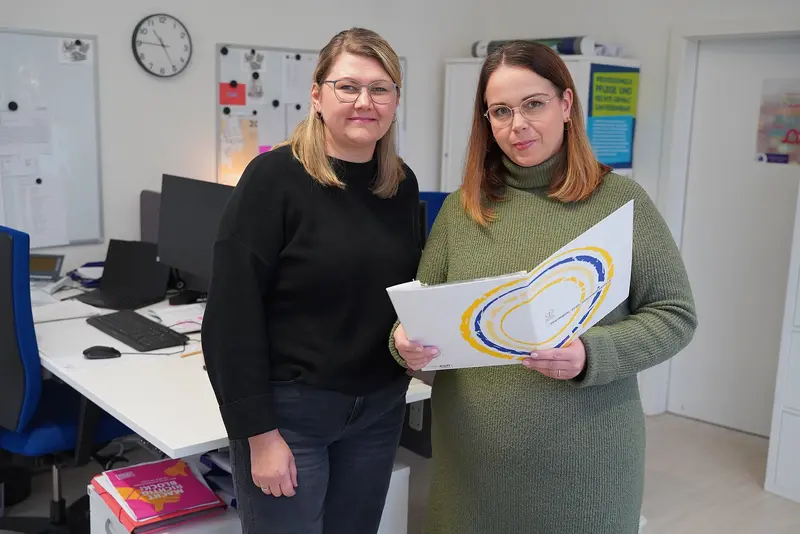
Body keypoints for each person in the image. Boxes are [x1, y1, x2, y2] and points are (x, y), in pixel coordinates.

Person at [391, 41, 698, 534]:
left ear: (566, 104)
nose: (518, 125)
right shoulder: (462, 209)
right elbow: (419, 312)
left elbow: (676, 315)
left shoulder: (620, 202)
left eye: (534, 103)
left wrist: (591, 354)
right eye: (501, 111)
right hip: (471, 470)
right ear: (486, 121)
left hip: (585, 468)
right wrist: (402, 344)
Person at [202, 27, 421, 534]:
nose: (365, 101)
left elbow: (403, 293)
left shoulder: (400, 185)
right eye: (348, 86)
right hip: (291, 417)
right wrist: (258, 434)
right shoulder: (273, 179)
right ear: (318, 96)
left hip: (379, 410)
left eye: (380, 88)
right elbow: (231, 315)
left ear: (394, 101)